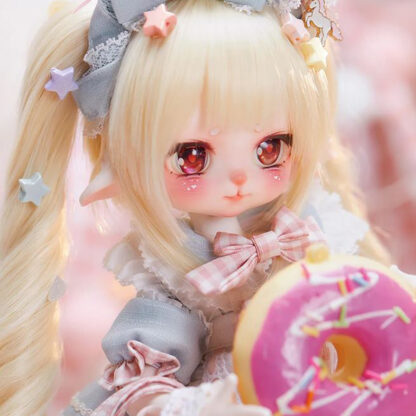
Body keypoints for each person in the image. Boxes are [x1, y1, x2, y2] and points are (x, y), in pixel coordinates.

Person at [0, 0, 390, 415]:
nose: (239, 178)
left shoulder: (305, 228)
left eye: (270, 148)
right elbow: (149, 372)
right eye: (192, 156)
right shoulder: (179, 276)